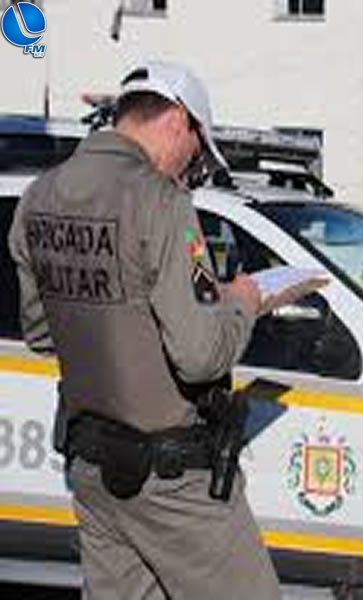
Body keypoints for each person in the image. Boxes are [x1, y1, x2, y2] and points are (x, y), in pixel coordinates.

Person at [8, 62, 282, 599]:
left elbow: (42, 333)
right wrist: (244, 304)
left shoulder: (38, 197)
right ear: (178, 122)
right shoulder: (161, 201)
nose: (191, 168)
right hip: (171, 474)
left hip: (92, 466)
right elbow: (202, 356)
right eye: (197, 152)